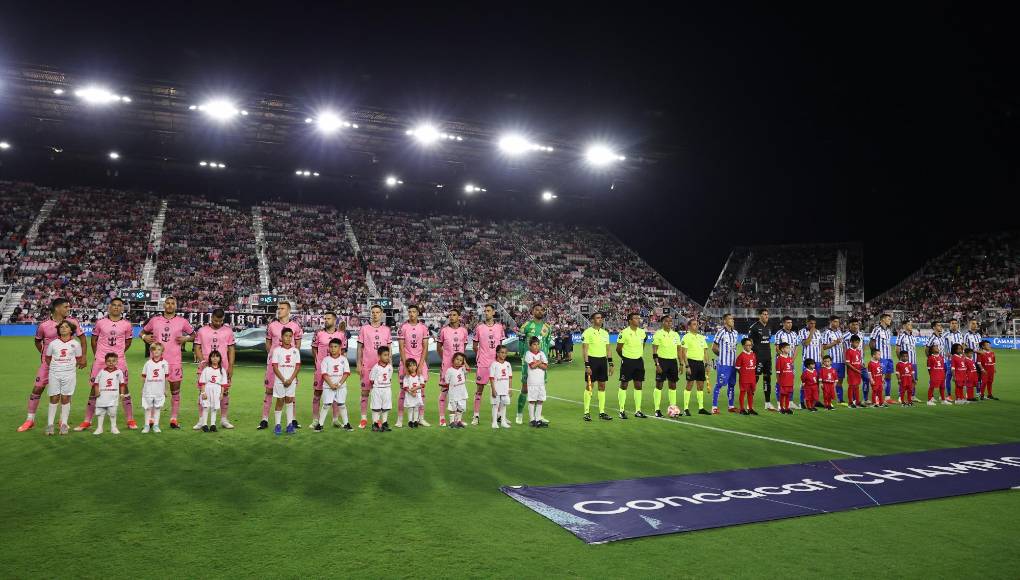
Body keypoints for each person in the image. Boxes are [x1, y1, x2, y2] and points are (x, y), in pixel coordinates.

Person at [19, 298, 87, 433]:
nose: (68, 309)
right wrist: (46, 355)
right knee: (37, 388)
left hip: (66, 364)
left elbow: (83, 339)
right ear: (57, 308)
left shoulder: (72, 322)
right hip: (48, 364)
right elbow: (38, 342)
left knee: (65, 393)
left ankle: (63, 420)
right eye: (66, 307)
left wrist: (83, 357)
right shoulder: (44, 325)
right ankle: (30, 420)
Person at [139, 296, 195, 430]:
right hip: (156, 362)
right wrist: (144, 337)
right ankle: (151, 418)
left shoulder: (182, 321)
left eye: (172, 303)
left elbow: (194, 335)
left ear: (176, 306)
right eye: (167, 303)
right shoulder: (155, 320)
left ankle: (174, 418)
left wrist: (186, 338)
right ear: (164, 305)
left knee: (175, 391)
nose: (170, 306)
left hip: (174, 362)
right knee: (153, 390)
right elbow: (142, 332)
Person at [83, 298, 136, 430]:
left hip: (119, 361)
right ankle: (87, 420)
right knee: (94, 388)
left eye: (119, 306)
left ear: (122, 308)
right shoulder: (100, 323)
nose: (116, 307)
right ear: (109, 307)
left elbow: (128, 342)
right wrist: (98, 355)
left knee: (124, 387)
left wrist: (119, 353)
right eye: (114, 305)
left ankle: (130, 420)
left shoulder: (127, 324)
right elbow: (94, 340)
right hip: (101, 360)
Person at [259, 302, 303, 430]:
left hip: (289, 365)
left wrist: (292, 357)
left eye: (282, 308)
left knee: (291, 391)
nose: (279, 310)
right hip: (274, 364)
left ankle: (293, 420)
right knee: (269, 390)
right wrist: (273, 356)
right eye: (278, 308)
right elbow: (268, 344)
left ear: (288, 311)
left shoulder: (295, 326)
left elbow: (298, 343)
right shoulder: (272, 325)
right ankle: (264, 419)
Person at [193, 309, 237, 430]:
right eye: (216, 320)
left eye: (221, 320)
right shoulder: (202, 330)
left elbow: (231, 349)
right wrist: (203, 361)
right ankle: (202, 420)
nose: (218, 323)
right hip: (206, 368)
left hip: (223, 368)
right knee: (202, 392)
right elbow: (197, 347)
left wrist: (231, 366)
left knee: (225, 392)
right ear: (211, 317)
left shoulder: (228, 331)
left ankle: (223, 419)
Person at [43, 320, 84, 436]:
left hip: (69, 374)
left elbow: (79, 359)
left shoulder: (75, 344)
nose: (63, 328)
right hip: (54, 374)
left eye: (66, 327)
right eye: (61, 327)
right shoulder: (53, 344)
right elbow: (48, 358)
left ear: (71, 330)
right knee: (54, 398)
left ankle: (64, 424)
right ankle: (50, 425)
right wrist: (56, 366)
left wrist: (68, 367)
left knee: (66, 398)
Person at [517, 304, 553, 424]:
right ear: (532, 311)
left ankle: (537, 416)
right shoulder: (526, 326)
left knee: (539, 389)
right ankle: (519, 414)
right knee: (525, 388)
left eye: (541, 309)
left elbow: (547, 345)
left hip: (542, 364)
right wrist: (523, 357)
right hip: (528, 362)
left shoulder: (547, 327)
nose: (539, 311)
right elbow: (521, 343)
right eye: (536, 309)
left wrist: (545, 360)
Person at [312, 312, 348, 429]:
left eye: (329, 318)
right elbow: (314, 348)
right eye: (325, 318)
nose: (326, 320)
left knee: (336, 394)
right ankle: (315, 420)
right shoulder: (319, 333)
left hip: (335, 371)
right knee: (317, 393)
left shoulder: (341, 335)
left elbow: (343, 352)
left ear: (335, 320)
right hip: (320, 370)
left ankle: (335, 419)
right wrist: (317, 362)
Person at [357, 305, 392, 429]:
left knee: (382, 393)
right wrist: (358, 364)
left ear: (381, 313)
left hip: (382, 367)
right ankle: (364, 418)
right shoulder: (364, 329)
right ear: (370, 314)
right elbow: (360, 348)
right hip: (367, 365)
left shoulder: (386, 329)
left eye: (377, 312)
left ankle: (380, 421)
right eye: (373, 312)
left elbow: (389, 348)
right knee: (365, 392)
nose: (375, 314)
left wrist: (390, 363)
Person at [471, 304, 506, 426]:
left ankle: (500, 416)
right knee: (479, 390)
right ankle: (476, 416)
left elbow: (501, 347)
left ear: (493, 312)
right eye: (485, 311)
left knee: (498, 391)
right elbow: (475, 346)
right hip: (483, 364)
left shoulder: (499, 327)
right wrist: (481, 356)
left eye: (488, 311)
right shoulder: (479, 328)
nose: (486, 313)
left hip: (496, 365)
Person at [396, 305, 430, 427]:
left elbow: (425, 347)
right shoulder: (403, 327)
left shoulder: (423, 328)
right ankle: (400, 419)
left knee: (422, 391)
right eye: (409, 312)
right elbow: (401, 347)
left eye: (414, 311)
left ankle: (420, 418)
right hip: (406, 361)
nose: (411, 314)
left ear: (418, 313)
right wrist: (405, 365)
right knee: (403, 390)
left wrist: (421, 365)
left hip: (420, 362)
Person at [436, 308, 469, 427]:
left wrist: (463, 362)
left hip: (459, 367)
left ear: (459, 317)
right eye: (450, 315)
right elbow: (438, 348)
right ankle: (442, 418)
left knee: (459, 392)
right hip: (447, 366)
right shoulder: (443, 330)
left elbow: (463, 349)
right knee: (444, 391)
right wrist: (445, 359)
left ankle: (457, 420)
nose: (451, 317)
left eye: (454, 315)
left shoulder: (463, 331)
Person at [582, 312, 614, 421]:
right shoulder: (587, 332)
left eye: (601, 318)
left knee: (602, 386)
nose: (600, 320)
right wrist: (587, 365)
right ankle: (586, 412)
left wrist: (610, 363)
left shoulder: (605, 333)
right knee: (590, 386)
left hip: (602, 361)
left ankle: (602, 412)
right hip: (592, 360)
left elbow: (608, 349)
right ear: (592, 320)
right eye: (597, 318)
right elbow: (585, 350)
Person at [616, 312, 648, 419]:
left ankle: (638, 410)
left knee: (638, 385)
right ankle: (621, 411)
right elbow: (618, 348)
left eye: (639, 318)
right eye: (636, 318)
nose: (638, 320)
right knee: (624, 385)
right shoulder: (624, 332)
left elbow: (643, 343)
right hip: (627, 361)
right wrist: (625, 358)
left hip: (639, 361)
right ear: (630, 320)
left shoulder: (642, 332)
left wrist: (638, 354)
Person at [270, 327, 301, 435]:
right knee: (280, 401)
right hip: (280, 381)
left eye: (290, 336)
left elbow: (297, 367)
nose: (288, 338)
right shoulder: (277, 350)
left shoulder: (295, 351)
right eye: (286, 336)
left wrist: (291, 379)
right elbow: (275, 367)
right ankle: (277, 425)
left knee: (289, 401)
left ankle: (289, 425)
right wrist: (283, 379)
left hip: (291, 380)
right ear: (281, 337)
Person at [318, 338, 352, 431]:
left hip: (341, 387)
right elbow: (324, 374)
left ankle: (346, 424)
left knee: (341, 404)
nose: (333, 349)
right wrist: (331, 384)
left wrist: (339, 383)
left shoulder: (344, 360)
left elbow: (346, 373)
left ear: (340, 348)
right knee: (326, 405)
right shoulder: (325, 360)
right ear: (329, 348)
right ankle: (320, 425)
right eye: (331, 347)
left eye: (335, 347)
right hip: (328, 387)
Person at [651, 315, 682, 418]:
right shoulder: (658, 334)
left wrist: (681, 363)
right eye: (667, 321)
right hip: (662, 361)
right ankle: (657, 410)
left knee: (673, 385)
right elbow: (654, 350)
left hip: (673, 362)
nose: (669, 323)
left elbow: (679, 350)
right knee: (659, 385)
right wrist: (657, 364)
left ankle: (673, 408)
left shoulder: (676, 335)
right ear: (662, 322)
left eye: (670, 321)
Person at [746, 308, 775, 411]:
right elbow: (748, 343)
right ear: (760, 316)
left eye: (767, 314)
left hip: (768, 356)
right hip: (758, 357)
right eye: (764, 314)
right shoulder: (753, 327)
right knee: (755, 379)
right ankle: (749, 404)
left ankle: (767, 403)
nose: (766, 316)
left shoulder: (770, 325)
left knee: (767, 379)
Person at [91, 353, 126, 435]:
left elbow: (122, 384)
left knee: (113, 413)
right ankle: (99, 428)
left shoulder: (119, 372)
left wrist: (122, 393)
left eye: (113, 361)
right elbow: (96, 383)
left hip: (113, 396)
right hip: (102, 396)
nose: (111, 363)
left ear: (117, 362)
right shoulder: (102, 372)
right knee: (100, 412)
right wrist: (96, 391)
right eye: (109, 361)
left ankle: (113, 427)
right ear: (105, 362)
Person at [680, 319, 710, 416]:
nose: (696, 326)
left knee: (700, 386)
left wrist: (707, 364)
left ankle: (701, 408)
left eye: (697, 324)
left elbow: (705, 352)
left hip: (700, 363)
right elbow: (683, 352)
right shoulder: (686, 337)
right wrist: (687, 366)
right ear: (689, 326)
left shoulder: (701, 337)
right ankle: (685, 408)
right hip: (691, 363)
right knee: (689, 385)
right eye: (694, 324)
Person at [711, 313, 739, 414]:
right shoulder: (721, 332)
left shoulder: (735, 333)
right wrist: (721, 356)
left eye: (733, 319)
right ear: (725, 321)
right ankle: (714, 407)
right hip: (724, 364)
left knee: (732, 385)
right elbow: (714, 347)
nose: (732, 320)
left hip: (733, 364)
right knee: (719, 384)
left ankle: (731, 406)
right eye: (730, 319)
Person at [141, 343, 169, 433]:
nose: (156, 351)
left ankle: (156, 425)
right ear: (151, 351)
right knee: (148, 408)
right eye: (154, 349)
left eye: (158, 349)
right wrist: (142, 388)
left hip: (159, 389)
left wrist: (166, 389)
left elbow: (166, 377)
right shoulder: (148, 363)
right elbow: (143, 377)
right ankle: (146, 425)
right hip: (148, 389)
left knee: (157, 408)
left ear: (162, 351)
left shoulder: (164, 363)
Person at [798, 316, 824, 409]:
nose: (813, 325)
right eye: (811, 323)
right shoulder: (802, 331)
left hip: (817, 361)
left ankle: (815, 400)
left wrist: (822, 359)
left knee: (816, 382)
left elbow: (821, 346)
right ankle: (801, 402)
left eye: (814, 323)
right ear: (807, 323)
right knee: (805, 382)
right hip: (807, 361)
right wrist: (811, 333)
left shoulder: (818, 332)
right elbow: (806, 343)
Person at [774, 317, 800, 407]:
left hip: (791, 361)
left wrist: (792, 359)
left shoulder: (794, 334)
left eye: (791, 322)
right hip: (781, 360)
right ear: (783, 323)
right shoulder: (779, 333)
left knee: (790, 380)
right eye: (788, 322)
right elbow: (777, 347)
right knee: (780, 380)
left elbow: (797, 347)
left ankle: (790, 401)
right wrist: (784, 357)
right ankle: (779, 402)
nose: (790, 324)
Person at [197, 351, 226, 432]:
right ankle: (204, 424)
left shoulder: (222, 370)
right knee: (206, 407)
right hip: (207, 389)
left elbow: (223, 384)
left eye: (217, 356)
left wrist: (221, 393)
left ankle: (213, 425)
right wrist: (203, 392)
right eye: (213, 357)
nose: (215, 358)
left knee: (214, 408)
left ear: (220, 358)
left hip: (217, 390)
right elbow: (202, 382)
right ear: (210, 358)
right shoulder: (206, 369)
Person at [821, 315, 847, 404]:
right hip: (833, 361)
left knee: (840, 381)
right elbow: (824, 347)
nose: (837, 323)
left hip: (841, 361)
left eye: (838, 322)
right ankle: (829, 399)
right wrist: (835, 342)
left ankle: (840, 399)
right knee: (830, 382)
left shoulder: (839, 331)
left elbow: (843, 345)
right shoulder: (826, 332)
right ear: (831, 322)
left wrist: (845, 357)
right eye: (835, 321)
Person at [870, 313, 895, 404]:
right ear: (883, 319)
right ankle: (876, 397)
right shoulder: (877, 329)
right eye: (888, 319)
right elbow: (872, 342)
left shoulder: (889, 330)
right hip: (881, 358)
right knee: (879, 378)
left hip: (889, 358)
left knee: (888, 377)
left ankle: (887, 397)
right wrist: (875, 356)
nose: (890, 320)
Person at [525, 337, 550, 427]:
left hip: (541, 382)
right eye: (534, 344)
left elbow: (545, 367)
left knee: (540, 400)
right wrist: (540, 362)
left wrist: (537, 362)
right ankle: (532, 420)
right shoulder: (528, 354)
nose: (536, 346)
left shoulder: (542, 353)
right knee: (532, 400)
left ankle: (538, 418)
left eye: (537, 344)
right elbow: (532, 366)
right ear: (530, 346)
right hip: (532, 382)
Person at [369, 346, 394, 432]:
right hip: (377, 390)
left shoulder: (390, 367)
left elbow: (389, 378)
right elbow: (371, 379)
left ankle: (384, 424)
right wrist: (377, 386)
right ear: (379, 356)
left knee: (386, 407)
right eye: (385, 355)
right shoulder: (375, 367)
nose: (387, 357)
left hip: (387, 389)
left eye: (388, 355)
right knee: (376, 407)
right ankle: (375, 424)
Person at [926, 321, 952, 402]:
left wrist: (946, 354)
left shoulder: (941, 337)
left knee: (942, 379)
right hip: (934, 361)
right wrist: (930, 358)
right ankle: (931, 396)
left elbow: (942, 348)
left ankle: (942, 397)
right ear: (934, 327)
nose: (940, 327)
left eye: (941, 325)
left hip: (943, 361)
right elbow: (927, 349)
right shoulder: (932, 337)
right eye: (938, 325)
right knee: (933, 379)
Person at [489, 345, 513, 429]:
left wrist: (510, 389)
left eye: (505, 353)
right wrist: (493, 389)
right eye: (502, 352)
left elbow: (510, 378)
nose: (504, 354)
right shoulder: (494, 364)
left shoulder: (508, 364)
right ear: (497, 353)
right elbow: (491, 378)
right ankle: (494, 422)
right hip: (497, 388)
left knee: (504, 405)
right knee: (495, 405)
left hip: (505, 388)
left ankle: (503, 421)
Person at [443, 352, 469, 429]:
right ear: (453, 359)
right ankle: (451, 422)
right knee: (453, 407)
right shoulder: (449, 370)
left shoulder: (462, 369)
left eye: (461, 360)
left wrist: (465, 363)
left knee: (461, 407)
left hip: (462, 392)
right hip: (453, 393)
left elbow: (468, 369)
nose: (458, 361)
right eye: (457, 359)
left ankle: (458, 421)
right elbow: (447, 382)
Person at [734, 338, 758, 415]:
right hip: (744, 378)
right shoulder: (741, 356)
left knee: (751, 393)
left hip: (752, 378)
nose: (749, 347)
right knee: (743, 392)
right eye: (747, 345)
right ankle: (742, 409)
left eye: (750, 345)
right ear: (743, 346)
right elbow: (737, 368)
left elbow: (754, 366)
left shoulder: (753, 355)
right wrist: (744, 374)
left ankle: (750, 409)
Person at [401, 359, 425, 428]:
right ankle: (410, 421)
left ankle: (415, 421)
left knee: (416, 408)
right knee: (410, 408)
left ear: (416, 366)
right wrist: (411, 393)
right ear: (407, 367)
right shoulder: (407, 377)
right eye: (410, 366)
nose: (412, 367)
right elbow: (405, 387)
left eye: (414, 365)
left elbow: (423, 385)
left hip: (417, 395)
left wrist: (416, 388)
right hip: (410, 395)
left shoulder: (419, 376)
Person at [945, 319, 965, 401]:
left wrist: (963, 353)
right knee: (949, 377)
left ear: (958, 325)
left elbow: (963, 344)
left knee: (961, 377)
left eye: (955, 323)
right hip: (950, 360)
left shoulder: (960, 334)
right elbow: (941, 344)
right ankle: (949, 395)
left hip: (960, 360)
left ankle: (960, 395)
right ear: (950, 325)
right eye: (952, 323)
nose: (954, 325)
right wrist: (946, 352)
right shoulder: (945, 334)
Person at [898, 320, 918, 398]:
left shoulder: (913, 336)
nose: (911, 326)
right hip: (905, 363)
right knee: (904, 379)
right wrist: (901, 360)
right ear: (904, 326)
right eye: (909, 324)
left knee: (914, 379)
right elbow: (897, 348)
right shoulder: (901, 336)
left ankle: (912, 396)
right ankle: (900, 396)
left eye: (911, 324)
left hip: (914, 362)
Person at [964, 320, 983, 392]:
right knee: (969, 378)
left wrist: (981, 352)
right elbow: (964, 347)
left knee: (979, 377)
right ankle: (968, 395)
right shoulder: (966, 335)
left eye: (976, 324)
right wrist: (976, 351)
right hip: (970, 361)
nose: (975, 325)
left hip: (978, 361)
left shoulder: (978, 335)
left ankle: (979, 393)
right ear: (969, 325)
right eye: (973, 324)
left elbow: (980, 347)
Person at [776, 343, 795, 414]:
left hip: (789, 380)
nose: (788, 349)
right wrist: (778, 381)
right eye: (787, 348)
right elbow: (778, 372)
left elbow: (791, 369)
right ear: (782, 349)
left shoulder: (790, 358)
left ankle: (787, 408)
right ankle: (781, 408)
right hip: (783, 380)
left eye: (789, 348)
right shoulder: (779, 359)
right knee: (783, 394)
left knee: (788, 394)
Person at [845, 335, 864, 408]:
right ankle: (850, 402)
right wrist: (856, 370)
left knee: (857, 386)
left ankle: (857, 401)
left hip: (858, 372)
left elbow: (858, 361)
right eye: (856, 342)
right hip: (852, 372)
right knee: (851, 386)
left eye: (858, 343)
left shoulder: (858, 351)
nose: (857, 344)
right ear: (851, 342)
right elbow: (847, 363)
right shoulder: (849, 351)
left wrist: (862, 365)